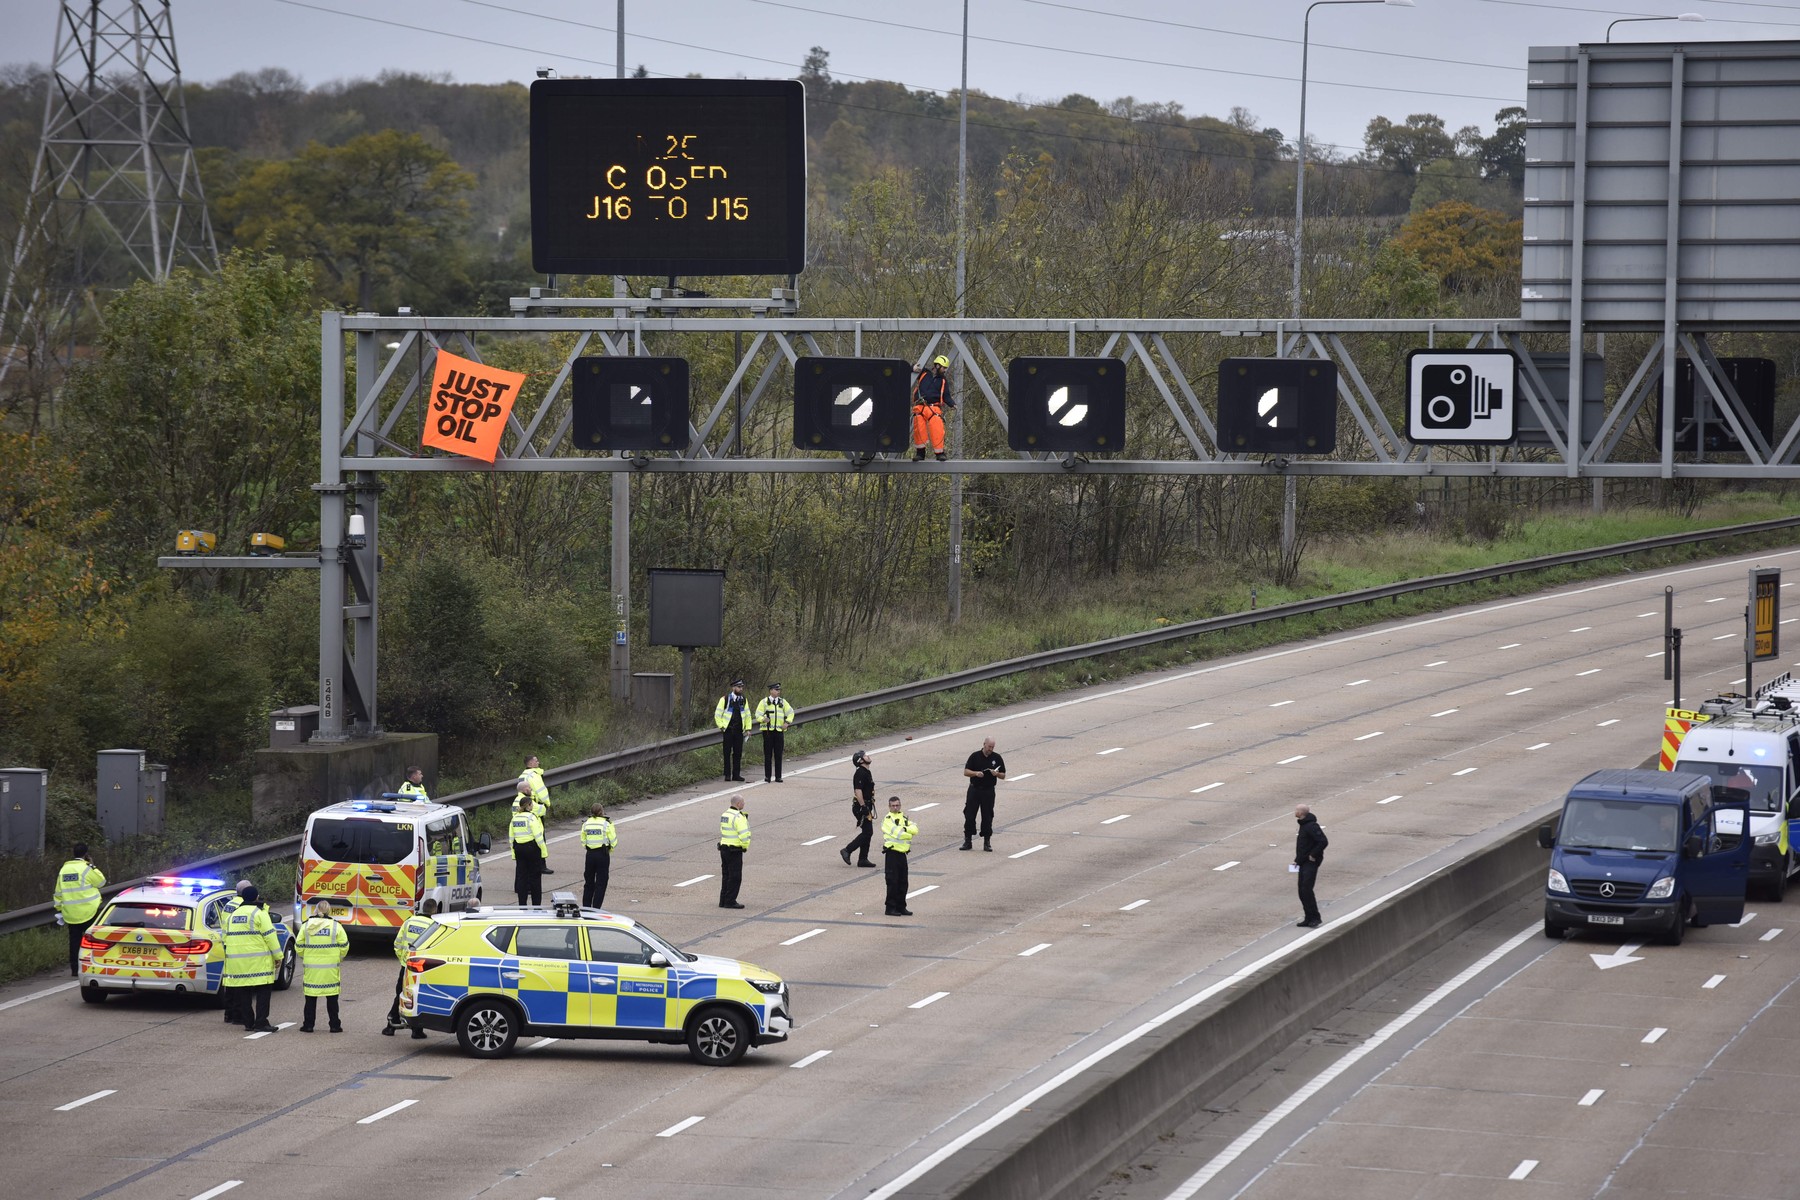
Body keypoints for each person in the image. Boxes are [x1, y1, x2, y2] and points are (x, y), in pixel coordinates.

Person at [222, 884, 281, 1032]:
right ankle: (261, 1022)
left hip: (237, 963)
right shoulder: (259, 913)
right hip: (258, 962)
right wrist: (278, 956)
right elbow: (270, 937)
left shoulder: (233, 916)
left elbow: (225, 938)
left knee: (243, 993)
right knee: (263, 992)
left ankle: (248, 1023)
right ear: (257, 897)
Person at [384, 897, 439, 1038]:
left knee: (401, 995)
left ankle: (391, 1025)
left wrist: (403, 960)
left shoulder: (409, 921)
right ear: (435, 910)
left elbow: (397, 943)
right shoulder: (434, 926)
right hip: (422, 968)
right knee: (417, 997)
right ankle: (416, 1030)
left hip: (406, 967)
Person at [52, 843, 106, 979]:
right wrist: (93, 865)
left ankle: (75, 969)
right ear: (86, 854)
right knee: (93, 940)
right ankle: (92, 965)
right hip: (89, 911)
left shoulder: (64, 870)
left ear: (73, 853)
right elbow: (101, 882)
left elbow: (58, 893)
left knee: (74, 942)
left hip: (70, 913)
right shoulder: (87, 868)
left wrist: (60, 910)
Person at [297, 900, 349, 1033]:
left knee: (310, 998)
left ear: (316, 910)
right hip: (330, 968)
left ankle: (308, 1025)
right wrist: (338, 957)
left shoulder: (306, 926)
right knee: (332, 998)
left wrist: (306, 956)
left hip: (311, 968)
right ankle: (334, 1025)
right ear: (329, 911)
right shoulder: (336, 926)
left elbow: (299, 946)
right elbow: (344, 945)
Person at [961, 737, 1007, 852]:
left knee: (987, 816)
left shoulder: (997, 758)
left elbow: (1003, 775)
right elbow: (966, 772)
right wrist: (976, 773)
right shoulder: (975, 756)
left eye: (992, 747)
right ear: (984, 745)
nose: (990, 749)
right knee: (969, 815)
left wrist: (996, 774)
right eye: (989, 747)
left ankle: (987, 841)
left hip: (988, 791)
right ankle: (968, 840)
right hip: (975, 790)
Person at [220, 880, 254, 1024]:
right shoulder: (245, 906)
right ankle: (238, 1014)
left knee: (231, 980)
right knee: (241, 982)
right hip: (241, 945)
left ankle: (229, 1014)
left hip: (228, 944)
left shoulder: (229, 904)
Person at [911, 353, 955, 461]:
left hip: (933, 408)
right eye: (943, 367)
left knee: (937, 429)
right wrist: (912, 367)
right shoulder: (924, 373)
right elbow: (908, 368)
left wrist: (952, 404)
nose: (945, 370)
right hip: (920, 407)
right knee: (919, 430)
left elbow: (946, 395)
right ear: (937, 366)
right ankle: (920, 453)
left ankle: (940, 453)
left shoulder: (943, 380)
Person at [1294, 804, 1329, 928]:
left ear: (1302, 813)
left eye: (1296, 810)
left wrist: (1313, 855)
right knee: (1302, 891)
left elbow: (1323, 841)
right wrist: (1297, 860)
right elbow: (1304, 846)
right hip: (1303, 863)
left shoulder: (1311, 826)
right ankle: (1308, 917)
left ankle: (1315, 918)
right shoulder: (1303, 825)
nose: (1295, 812)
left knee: (1306, 890)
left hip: (1311, 863)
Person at [882, 797, 918, 916]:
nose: (895, 807)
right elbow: (899, 834)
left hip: (902, 854)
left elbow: (915, 829)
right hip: (892, 853)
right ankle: (890, 907)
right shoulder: (888, 819)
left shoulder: (903, 818)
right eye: (893, 805)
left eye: (897, 805)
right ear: (889, 807)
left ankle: (901, 906)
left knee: (903, 882)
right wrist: (908, 833)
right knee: (892, 881)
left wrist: (905, 829)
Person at [841, 750, 877, 868]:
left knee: (867, 832)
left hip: (866, 805)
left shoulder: (866, 771)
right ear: (861, 761)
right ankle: (847, 850)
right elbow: (858, 791)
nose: (868, 756)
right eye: (865, 756)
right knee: (868, 832)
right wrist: (863, 807)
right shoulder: (860, 773)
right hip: (861, 807)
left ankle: (863, 859)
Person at [510, 794, 548, 906]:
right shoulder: (532, 818)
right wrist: (544, 852)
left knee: (522, 877)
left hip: (519, 849)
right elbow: (538, 837)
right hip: (532, 849)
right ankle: (536, 905)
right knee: (535, 877)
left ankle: (522, 904)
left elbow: (511, 838)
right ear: (529, 806)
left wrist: (513, 853)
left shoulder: (515, 818)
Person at [756, 682, 796, 783]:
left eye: (779, 690)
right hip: (768, 732)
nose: (778, 692)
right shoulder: (764, 702)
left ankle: (778, 776)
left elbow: (791, 712)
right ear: (771, 691)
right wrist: (763, 719)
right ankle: (767, 776)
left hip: (779, 731)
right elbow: (757, 714)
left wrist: (787, 722)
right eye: (776, 690)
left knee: (778, 754)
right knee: (768, 755)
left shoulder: (783, 702)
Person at [580, 803, 618, 909]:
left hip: (590, 855)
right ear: (602, 811)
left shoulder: (586, 823)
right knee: (601, 882)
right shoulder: (606, 823)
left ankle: (586, 907)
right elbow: (613, 841)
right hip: (602, 854)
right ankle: (596, 908)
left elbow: (583, 840)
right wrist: (610, 849)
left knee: (589, 882)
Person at [718, 795, 751, 909]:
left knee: (726, 875)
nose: (744, 804)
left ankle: (723, 900)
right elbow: (744, 834)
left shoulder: (725, 814)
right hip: (735, 850)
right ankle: (730, 901)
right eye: (743, 802)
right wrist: (745, 846)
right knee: (735, 876)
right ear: (738, 804)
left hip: (724, 848)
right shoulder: (738, 817)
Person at [715, 679, 751, 781]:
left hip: (739, 731)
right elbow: (718, 714)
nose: (741, 689)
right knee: (727, 753)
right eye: (739, 687)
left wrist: (748, 728)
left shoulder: (743, 699)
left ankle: (736, 774)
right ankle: (727, 774)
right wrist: (722, 726)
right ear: (733, 687)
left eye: (741, 687)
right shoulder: (725, 699)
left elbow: (747, 714)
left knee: (738, 753)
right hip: (728, 730)